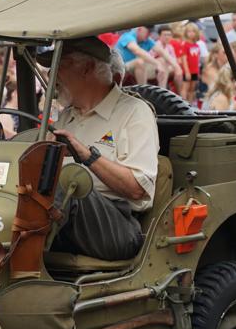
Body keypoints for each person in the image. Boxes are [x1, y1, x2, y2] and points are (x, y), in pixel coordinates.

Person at [39, 37, 158, 261]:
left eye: (59, 66)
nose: (51, 76)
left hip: (117, 224)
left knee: (68, 183)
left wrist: (87, 155)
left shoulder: (135, 112)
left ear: (86, 68)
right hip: (67, 219)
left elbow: (138, 190)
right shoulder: (67, 116)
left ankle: (18, 255)